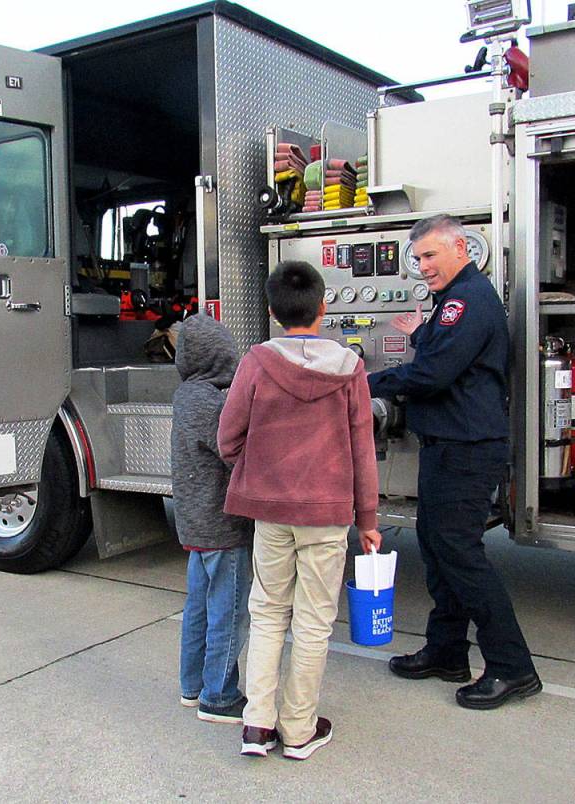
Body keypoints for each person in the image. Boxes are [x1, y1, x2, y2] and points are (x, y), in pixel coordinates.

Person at [367, 215, 540, 710]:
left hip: (467, 446)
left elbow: (434, 373)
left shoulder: (468, 298)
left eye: (429, 256)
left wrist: (362, 384)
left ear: (460, 247)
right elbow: (444, 352)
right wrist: (421, 334)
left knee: (459, 552)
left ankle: (512, 668)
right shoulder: (455, 300)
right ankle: (446, 652)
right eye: (416, 258)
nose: (422, 267)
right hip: (447, 442)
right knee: (437, 547)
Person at [218, 260, 381, 760]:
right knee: (313, 622)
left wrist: (256, 471)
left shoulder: (256, 362)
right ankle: (299, 729)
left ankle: (256, 726)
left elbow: (228, 436)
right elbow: (362, 448)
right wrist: (368, 521)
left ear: (271, 311)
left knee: (267, 613)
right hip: (327, 514)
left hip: (272, 511)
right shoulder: (350, 367)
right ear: (323, 306)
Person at [171, 313, 254, 724]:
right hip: (222, 526)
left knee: (199, 607)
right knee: (229, 610)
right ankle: (219, 695)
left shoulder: (187, 394)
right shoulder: (214, 403)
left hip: (195, 524)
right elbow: (237, 452)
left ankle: (192, 686)